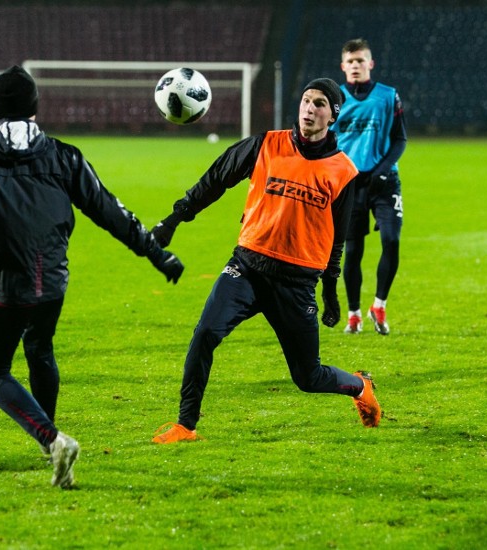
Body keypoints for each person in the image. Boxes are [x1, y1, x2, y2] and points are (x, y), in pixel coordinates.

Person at [0, 65, 184, 488]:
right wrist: (158, 254)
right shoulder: (63, 154)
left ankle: (51, 438)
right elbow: (110, 211)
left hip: (4, 288)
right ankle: (52, 444)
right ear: (36, 106)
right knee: (39, 348)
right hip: (52, 284)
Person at [149, 78, 382, 444]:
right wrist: (174, 219)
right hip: (246, 267)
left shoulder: (343, 171)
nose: (309, 108)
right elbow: (215, 179)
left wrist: (331, 290)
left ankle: (360, 386)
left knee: (308, 378)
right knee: (205, 335)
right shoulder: (265, 145)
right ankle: (186, 425)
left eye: (319, 103)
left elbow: (338, 238)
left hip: (296, 283)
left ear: (332, 116)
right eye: (306, 100)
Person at [332, 38, 407, 335]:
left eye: (360, 60)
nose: (355, 66)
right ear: (343, 66)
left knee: (391, 240)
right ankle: (353, 314)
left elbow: (400, 139)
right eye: (350, 61)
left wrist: (381, 170)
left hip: (385, 183)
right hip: (349, 186)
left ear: (370, 64)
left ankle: (379, 304)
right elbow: (326, 141)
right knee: (353, 251)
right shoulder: (334, 98)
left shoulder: (388, 96)